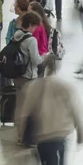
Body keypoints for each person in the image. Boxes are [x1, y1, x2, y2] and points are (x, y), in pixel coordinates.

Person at [21, 73, 83, 165]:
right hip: (58, 139)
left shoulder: (33, 87)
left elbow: (25, 113)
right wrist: (81, 135)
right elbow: (78, 112)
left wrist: (23, 135)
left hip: (41, 140)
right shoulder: (66, 87)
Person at [11, 12, 51, 145]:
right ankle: (27, 137)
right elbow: (36, 60)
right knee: (30, 108)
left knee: (19, 105)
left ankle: (19, 136)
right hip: (28, 76)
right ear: (32, 25)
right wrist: (44, 57)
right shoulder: (31, 40)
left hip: (17, 75)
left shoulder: (16, 36)